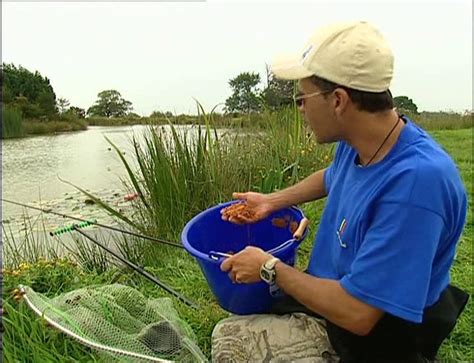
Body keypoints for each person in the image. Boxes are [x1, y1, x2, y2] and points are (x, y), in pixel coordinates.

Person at [211, 21, 468, 363]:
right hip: (341, 296)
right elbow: (333, 176)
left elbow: (360, 314)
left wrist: (269, 267)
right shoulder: (365, 140)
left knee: (230, 343)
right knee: (235, 325)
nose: (300, 108)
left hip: (373, 333)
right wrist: (271, 201)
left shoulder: (415, 188)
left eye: (302, 98)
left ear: (338, 100)